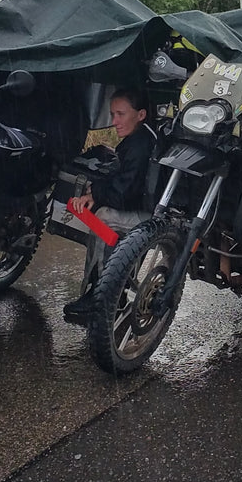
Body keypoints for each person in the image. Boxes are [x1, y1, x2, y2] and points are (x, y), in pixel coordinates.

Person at [63, 88, 156, 323]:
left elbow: (123, 195)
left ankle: (103, 295)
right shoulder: (137, 138)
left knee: (103, 217)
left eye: (121, 114)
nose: (114, 122)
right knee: (99, 211)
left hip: (153, 216)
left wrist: (97, 193)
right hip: (143, 206)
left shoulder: (141, 146)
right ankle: (104, 288)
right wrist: (95, 192)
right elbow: (119, 179)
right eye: (113, 114)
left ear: (141, 114)